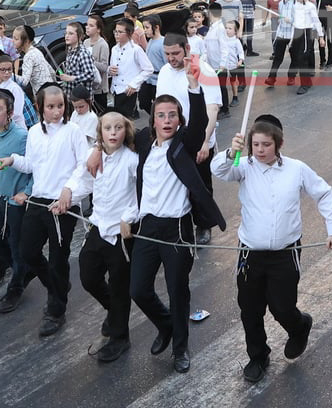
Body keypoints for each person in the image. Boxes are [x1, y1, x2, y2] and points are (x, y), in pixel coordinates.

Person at [89, 63, 222, 374]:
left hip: (177, 228)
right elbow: (115, 133)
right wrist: (97, 147)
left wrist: (193, 88)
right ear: (153, 119)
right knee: (138, 290)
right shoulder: (146, 142)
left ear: (179, 120)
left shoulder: (184, 143)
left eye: (172, 115)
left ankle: (180, 349)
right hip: (147, 227)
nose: (166, 120)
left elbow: (201, 123)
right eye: (161, 115)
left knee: (178, 292)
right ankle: (167, 326)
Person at [211, 115, 332, 383]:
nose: (260, 150)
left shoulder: (297, 169)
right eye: (255, 144)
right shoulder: (243, 166)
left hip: (285, 252)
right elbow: (219, 170)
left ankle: (299, 326)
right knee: (250, 308)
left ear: (279, 144)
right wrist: (230, 152)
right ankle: (258, 356)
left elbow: (324, 193)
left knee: (282, 307)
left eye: (266, 145)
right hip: (251, 253)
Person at [0, 84, 90, 337]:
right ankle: (58, 286)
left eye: (60, 106)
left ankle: (56, 310)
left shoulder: (74, 132)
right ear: (39, 108)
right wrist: (12, 160)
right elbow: (32, 165)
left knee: (59, 258)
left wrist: (68, 191)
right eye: (51, 107)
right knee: (28, 252)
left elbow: (84, 166)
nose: (57, 111)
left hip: (63, 206)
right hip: (38, 201)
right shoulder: (35, 132)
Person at [66, 111, 139, 363]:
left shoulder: (132, 160)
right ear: (100, 133)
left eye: (118, 128)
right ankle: (114, 311)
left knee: (120, 287)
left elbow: (142, 194)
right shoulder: (95, 156)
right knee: (88, 276)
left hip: (121, 234)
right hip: (98, 227)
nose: (113, 133)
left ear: (125, 131)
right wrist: (67, 195)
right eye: (107, 128)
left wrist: (129, 216)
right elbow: (85, 182)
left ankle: (120, 337)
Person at [156, 33, 223, 246]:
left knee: (200, 185)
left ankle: (204, 225)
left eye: (175, 53)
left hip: (198, 138)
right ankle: (181, 223)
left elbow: (212, 109)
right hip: (172, 138)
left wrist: (204, 141)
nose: (171, 58)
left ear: (186, 48)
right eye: (167, 54)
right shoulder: (165, 72)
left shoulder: (204, 71)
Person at [0, 88, 32, 314]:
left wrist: (26, 193)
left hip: (17, 200)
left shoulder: (22, 137)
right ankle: (20, 269)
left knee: (16, 244)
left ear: (10, 112)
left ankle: (16, 287)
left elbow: (35, 169)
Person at [286, 0, 323, 94]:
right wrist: (290, 21)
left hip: (307, 33)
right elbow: (294, 20)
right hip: (297, 32)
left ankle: (304, 85)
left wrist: (321, 37)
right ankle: (307, 82)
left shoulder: (310, 6)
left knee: (302, 59)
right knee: (297, 58)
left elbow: (316, 22)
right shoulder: (295, 5)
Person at [58, 21, 100, 103]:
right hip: (71, 97)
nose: (67, 36)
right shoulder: (70, 50)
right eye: (66, 33)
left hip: (82, 100)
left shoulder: (83, 53)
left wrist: (72, 78)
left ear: (79, 36)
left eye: (71, 33)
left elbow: (90, 75)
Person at [13, 24, 56, 98]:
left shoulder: (28, 56)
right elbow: (52, 71)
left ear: (26, 41)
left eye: (16, 39)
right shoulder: (37, 51)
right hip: (51, 89)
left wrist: (11, 75)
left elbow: (24, 82)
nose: (12, 41)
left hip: (42, 94)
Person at [86, 15, 111, 113]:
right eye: (87, 25)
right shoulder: (85, 42)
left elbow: (104, 67)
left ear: (98, 29)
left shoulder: (103, 45)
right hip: (89, 87)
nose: (87, 27)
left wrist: (91, 61)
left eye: (91, 25)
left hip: (100, 88)